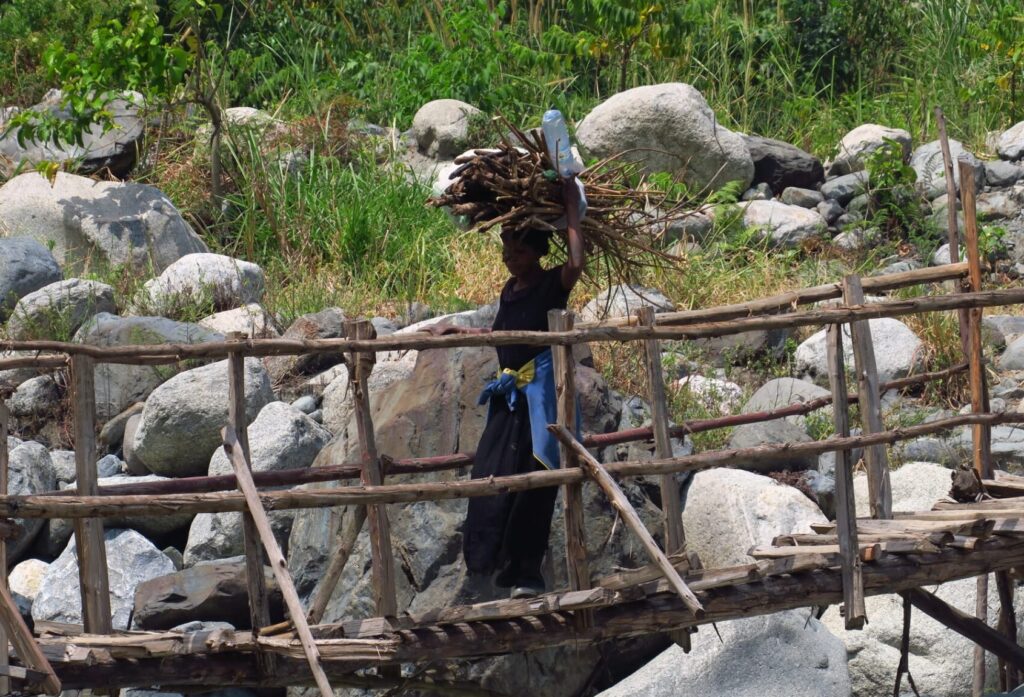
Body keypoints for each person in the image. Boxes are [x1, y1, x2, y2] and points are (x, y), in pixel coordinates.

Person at [428, 179, 585, 600]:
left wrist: (572, 209)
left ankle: (526, 574)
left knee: (535, 479)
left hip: (540, 399)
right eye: (506, 249)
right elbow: (507, 333)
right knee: (489, 475)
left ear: (538, 251)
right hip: (509, 400)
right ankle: (489, 562)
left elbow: (576, 262)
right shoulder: (510, 290)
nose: (509, 258)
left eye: (518, 250)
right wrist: (468, 330)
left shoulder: (553, 283)